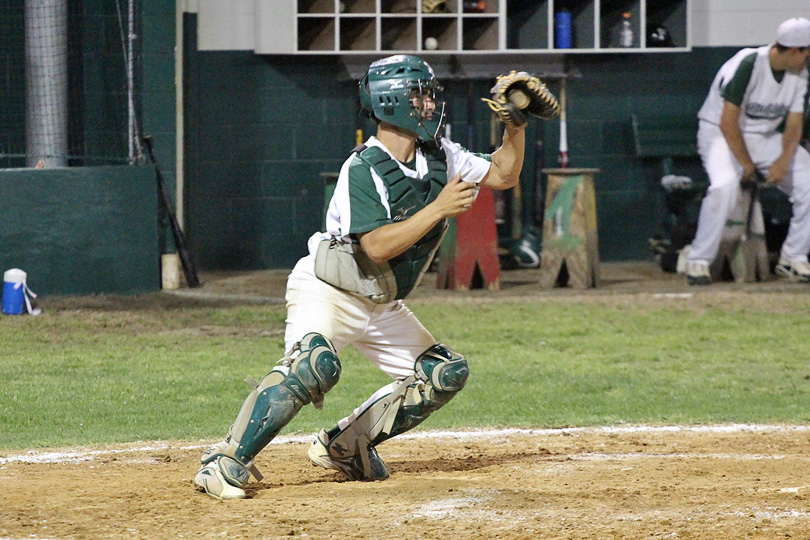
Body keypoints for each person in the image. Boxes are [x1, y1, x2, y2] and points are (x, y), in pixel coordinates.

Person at [194, 55, 557, 499]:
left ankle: (344, 445)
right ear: (393, 103)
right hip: (328, 290)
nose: (429, 104)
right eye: (419, 96)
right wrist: (439, 208)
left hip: (380, 300)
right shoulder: (364, 167)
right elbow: (377, 246)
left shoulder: (441, 154)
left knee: (442, 373)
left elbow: (504, 172)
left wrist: (514, 125)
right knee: (314, 366)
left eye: (427, 95)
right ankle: (224, 462)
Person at [686, 17, 810, 285]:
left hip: (763, 136)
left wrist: (783, 160)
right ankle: (698, 260)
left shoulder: (800, 74)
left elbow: (794, 123)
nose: (807, 59)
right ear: (793, 50)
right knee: (725, 186)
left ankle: (794, 257)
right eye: (806, 52)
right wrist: (747, 165)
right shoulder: (749, 63)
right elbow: (727, 121)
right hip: (720, 135)